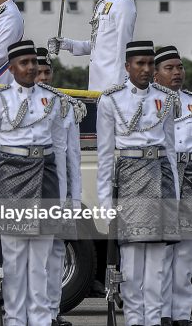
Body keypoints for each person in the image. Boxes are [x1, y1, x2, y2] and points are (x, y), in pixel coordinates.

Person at [0, 40, 67, 325]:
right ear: (12, 68)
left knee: (40, 262)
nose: (30, 68)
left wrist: (64, 197)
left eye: (33, 62)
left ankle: (40, 319)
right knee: (14, 261)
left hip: (46, 176)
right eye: (24, 63)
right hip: (12, 178)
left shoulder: (52, 100)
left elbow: (61, 150)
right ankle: (15, 319)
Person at [97, 41, 179, 326]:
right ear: (127, 66)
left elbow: (170, 149)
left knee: (158, 264)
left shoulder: (166, 98)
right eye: (139, 63)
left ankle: (154, 320)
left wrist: (176, 197)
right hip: (130, 176)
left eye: (149, 64)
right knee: (131, 263)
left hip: (161, 174)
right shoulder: (111, 100)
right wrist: (105, 200)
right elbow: (106, 156)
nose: (145, 69)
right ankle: (134, 320)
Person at [34, 48, 85, 326]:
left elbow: (73, 157)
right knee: (28, 255)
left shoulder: (65, 106)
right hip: (28, 189)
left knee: (55, 253)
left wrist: (74, 199)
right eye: (38, 71)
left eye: (46, 71)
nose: (43, 76)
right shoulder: (13, 103)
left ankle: (52, 312)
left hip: (59, 190)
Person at [48, 0, 136, 92]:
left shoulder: (123, 3)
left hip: (112, 83)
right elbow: (100, 44)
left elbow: (124, 45)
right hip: (97, 81)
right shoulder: (104, 2)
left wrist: (120, 83)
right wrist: (68, 44)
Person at [152, 46, 191, 326]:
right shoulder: (147, 103)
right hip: (161, 174)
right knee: (162, 250)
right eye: (170, 68)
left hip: (188, 174)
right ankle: (162, 312)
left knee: (186, 250)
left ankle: (182, 313)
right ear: (155, 75)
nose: (177, 72)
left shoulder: (190, 102)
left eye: (179, 67)